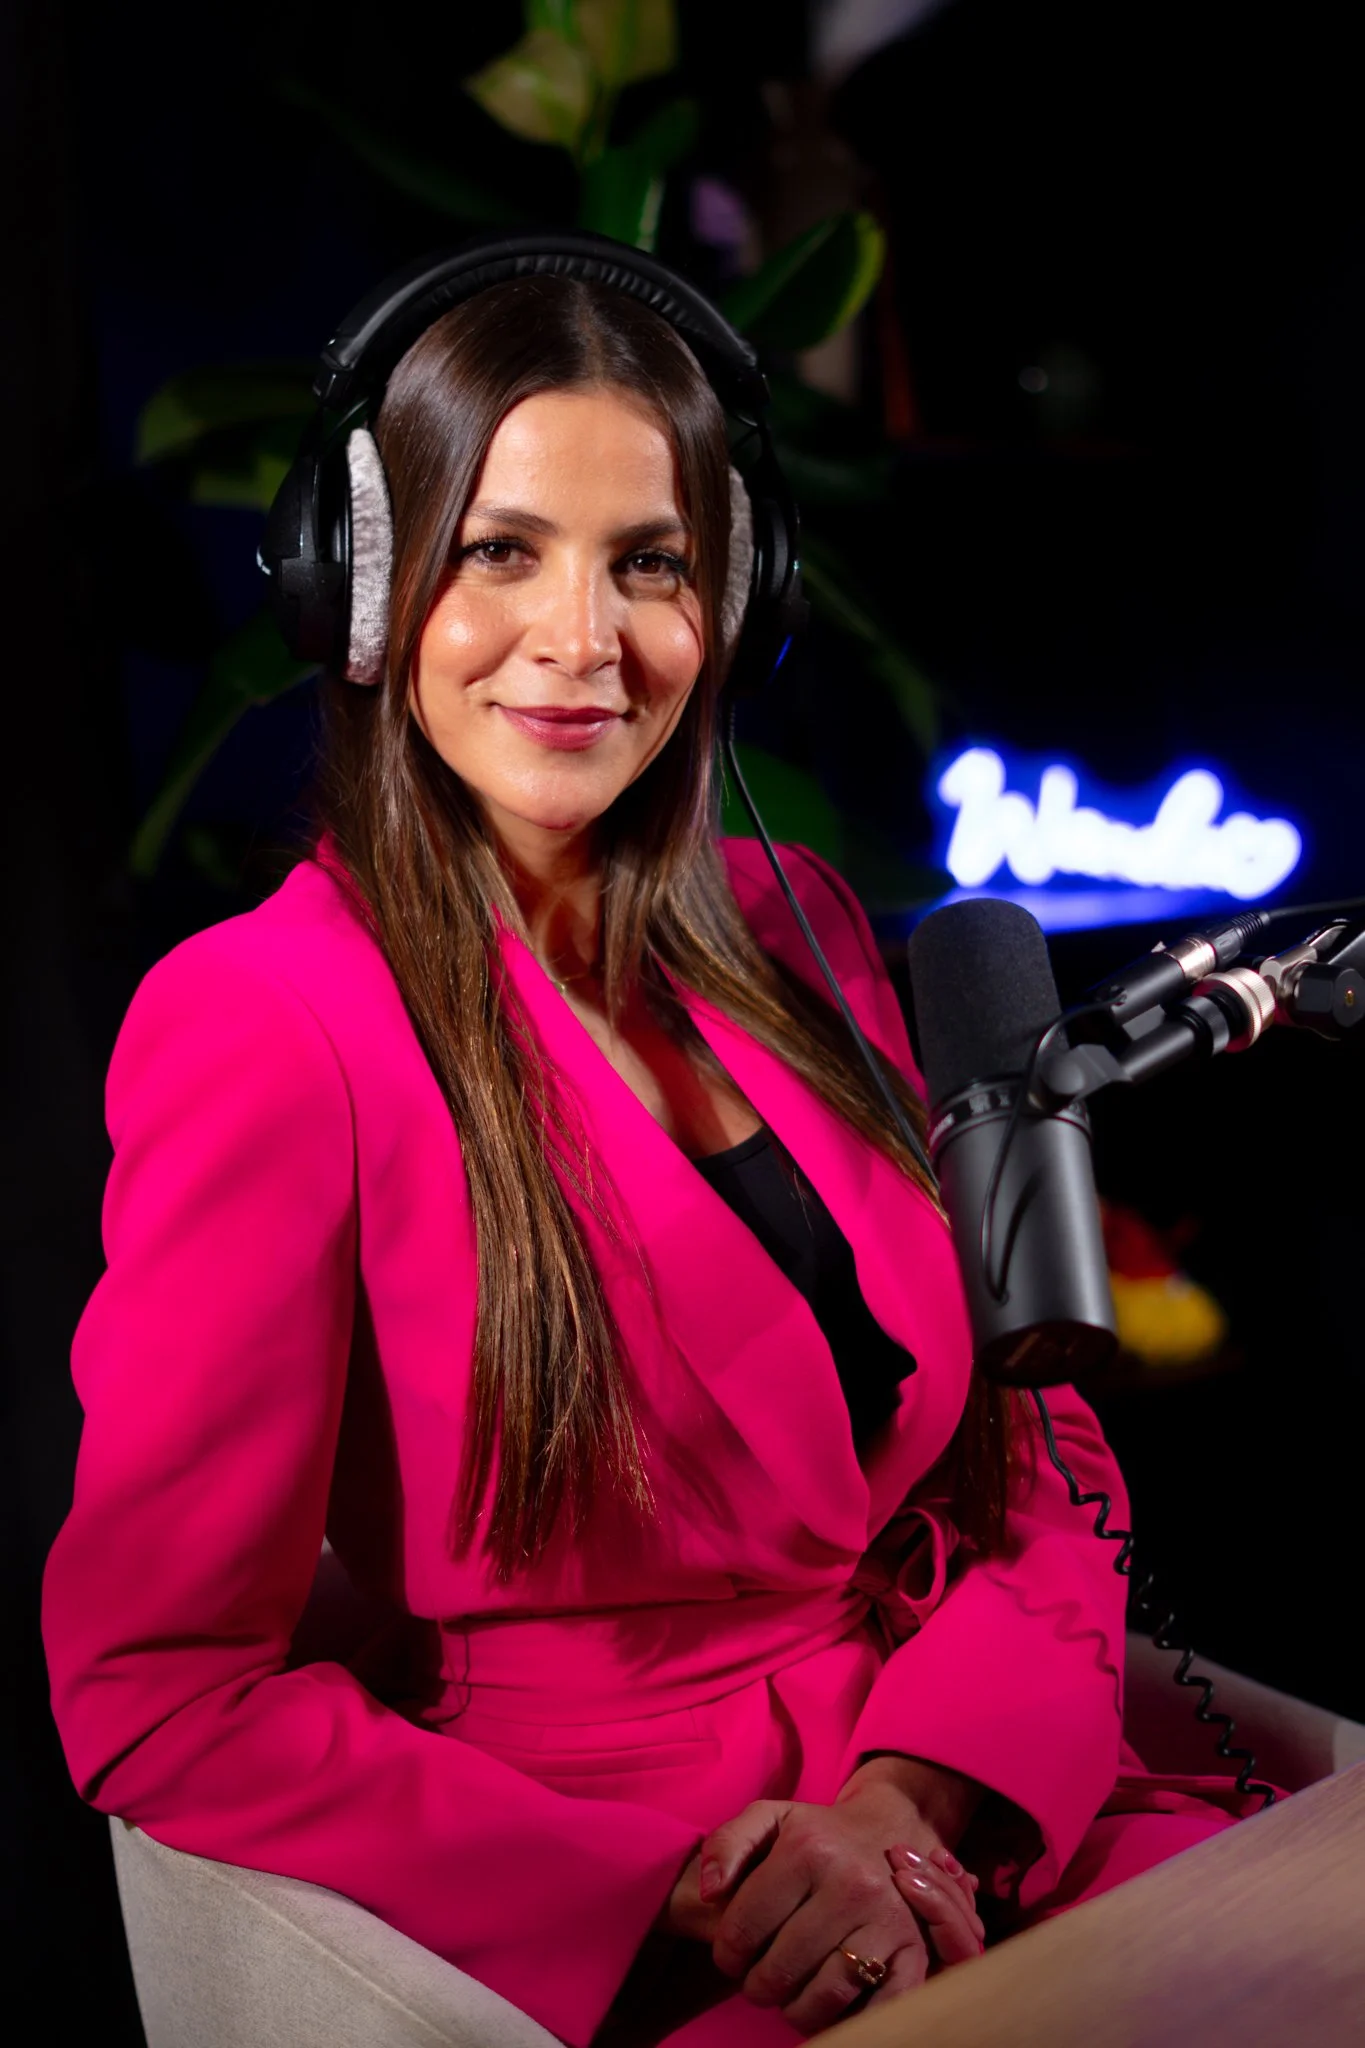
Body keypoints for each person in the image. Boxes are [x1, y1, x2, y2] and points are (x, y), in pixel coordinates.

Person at [42, 250, 1264, 2048]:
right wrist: (695, 1891)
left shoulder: (802, 921)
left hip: (968, 1807)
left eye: (650, 562)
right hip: (669, 1918)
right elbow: (162, 1694)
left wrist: (915, 1799)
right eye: (500, 550)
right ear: (365, 585)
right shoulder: (267, 1024)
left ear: (738, 595)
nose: (581, 639)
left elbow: (1038, 1438)